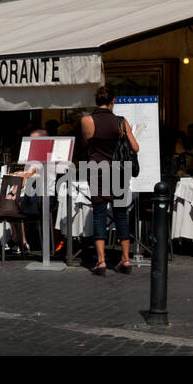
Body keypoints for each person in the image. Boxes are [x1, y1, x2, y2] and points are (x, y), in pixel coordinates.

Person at [81, 84, 138, 275]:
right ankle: (125, 259)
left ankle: (102, 261)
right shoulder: (122, 122)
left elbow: (88, 144)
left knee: (98, 213)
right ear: (113, 101)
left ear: (96, 101)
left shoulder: (87, 120)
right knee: (120, 213)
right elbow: (135, 148)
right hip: (119, 172)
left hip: (97, 170)